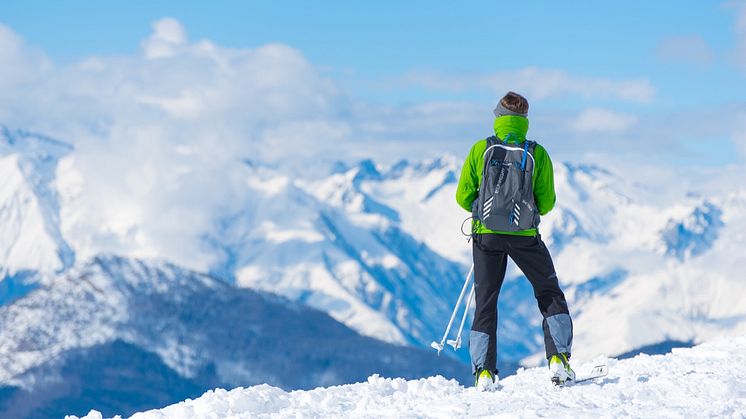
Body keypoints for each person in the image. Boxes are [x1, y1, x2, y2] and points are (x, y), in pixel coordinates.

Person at [455, 91, 575, 390]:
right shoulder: (538, 153)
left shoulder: (480, 150)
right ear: (525, 120)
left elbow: (462, 197)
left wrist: (483, 210)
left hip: (487, 236)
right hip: (524, 236)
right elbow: (546, 203)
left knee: (486, 300)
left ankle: (484, 372)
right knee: (548, 292)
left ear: (498, 117)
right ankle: (559, 358)